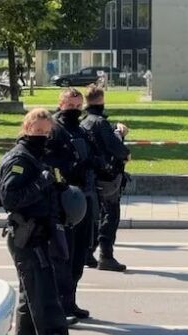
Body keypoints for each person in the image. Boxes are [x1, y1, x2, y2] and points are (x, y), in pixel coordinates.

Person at [0, 108, 89, 335]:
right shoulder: (20, 159)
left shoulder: (36, 157)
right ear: (26, 127)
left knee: (30, 304)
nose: (42, 136)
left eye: (46, 132)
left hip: (39, 238)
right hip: (29, 239)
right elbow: (10, 197)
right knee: (49, 305)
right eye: (37, 131)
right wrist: (43, 182)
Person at [45, 88, 104, 323]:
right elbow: (49, 161)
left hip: (85, 198)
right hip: (64, 202)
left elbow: (92, 155)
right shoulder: (53, 129)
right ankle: (60, 307)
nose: (74, 110)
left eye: (78, 106)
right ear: (60, 104)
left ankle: (70, 302)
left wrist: (98, 164)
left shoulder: (80, 129)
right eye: (70, 106)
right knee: (64, 257)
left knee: (81, 253)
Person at [81, 85, 131, 272]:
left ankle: (88, 252)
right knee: (110, 216)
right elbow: (115, 148)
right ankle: (106, 256)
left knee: (96, 215)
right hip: (107, 177)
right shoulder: (100, 123)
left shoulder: (83, 122)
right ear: (102, 100)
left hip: (91, 175)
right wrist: (122, 139)